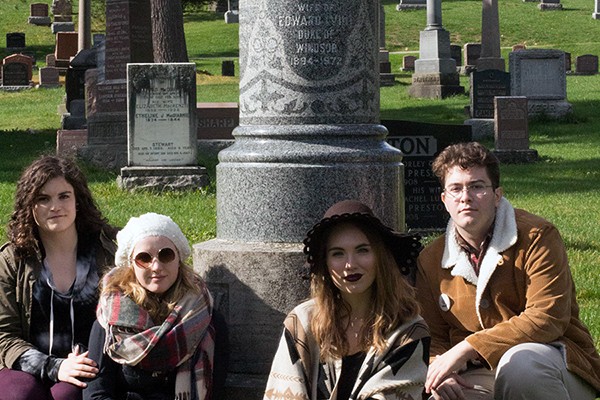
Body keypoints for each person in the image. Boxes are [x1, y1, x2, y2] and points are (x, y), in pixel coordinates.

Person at [416, 141, 600, 400]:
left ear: (497, 195)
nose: (465, 197)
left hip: (554, 360)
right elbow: (432, 334)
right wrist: (439, 368)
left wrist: (468, 347)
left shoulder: (538, 237)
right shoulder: (431, 259)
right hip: (479, 371)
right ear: (445, 200)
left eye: (477, 186)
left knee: (521, 367)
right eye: (455, 189)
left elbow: (547, 317)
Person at [263, 200, 430, 400]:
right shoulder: (301, 323)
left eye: (362, 250)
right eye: (338, 253)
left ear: (381, 257)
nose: (350, 264)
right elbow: (283, 393)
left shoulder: (409, 330)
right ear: (325, 263)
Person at [0, 155, 118, 400]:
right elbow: (4, 334)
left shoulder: (109, 250)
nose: (55, 206)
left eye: (64, 196)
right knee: (19, 395)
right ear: (29, 206)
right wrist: (53, 367)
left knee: (66, 395)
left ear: (78, 201)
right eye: (43, 199)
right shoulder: (12, 259)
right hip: (26, 363)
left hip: (88, 361)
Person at [84, 212, 223, 400]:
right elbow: (96, 394)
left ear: (179, 259)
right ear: (131, 264)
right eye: (144, 258)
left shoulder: (205, 318)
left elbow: (216, 390)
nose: (156, 266)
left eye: (166, 255)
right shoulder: (110, 321)